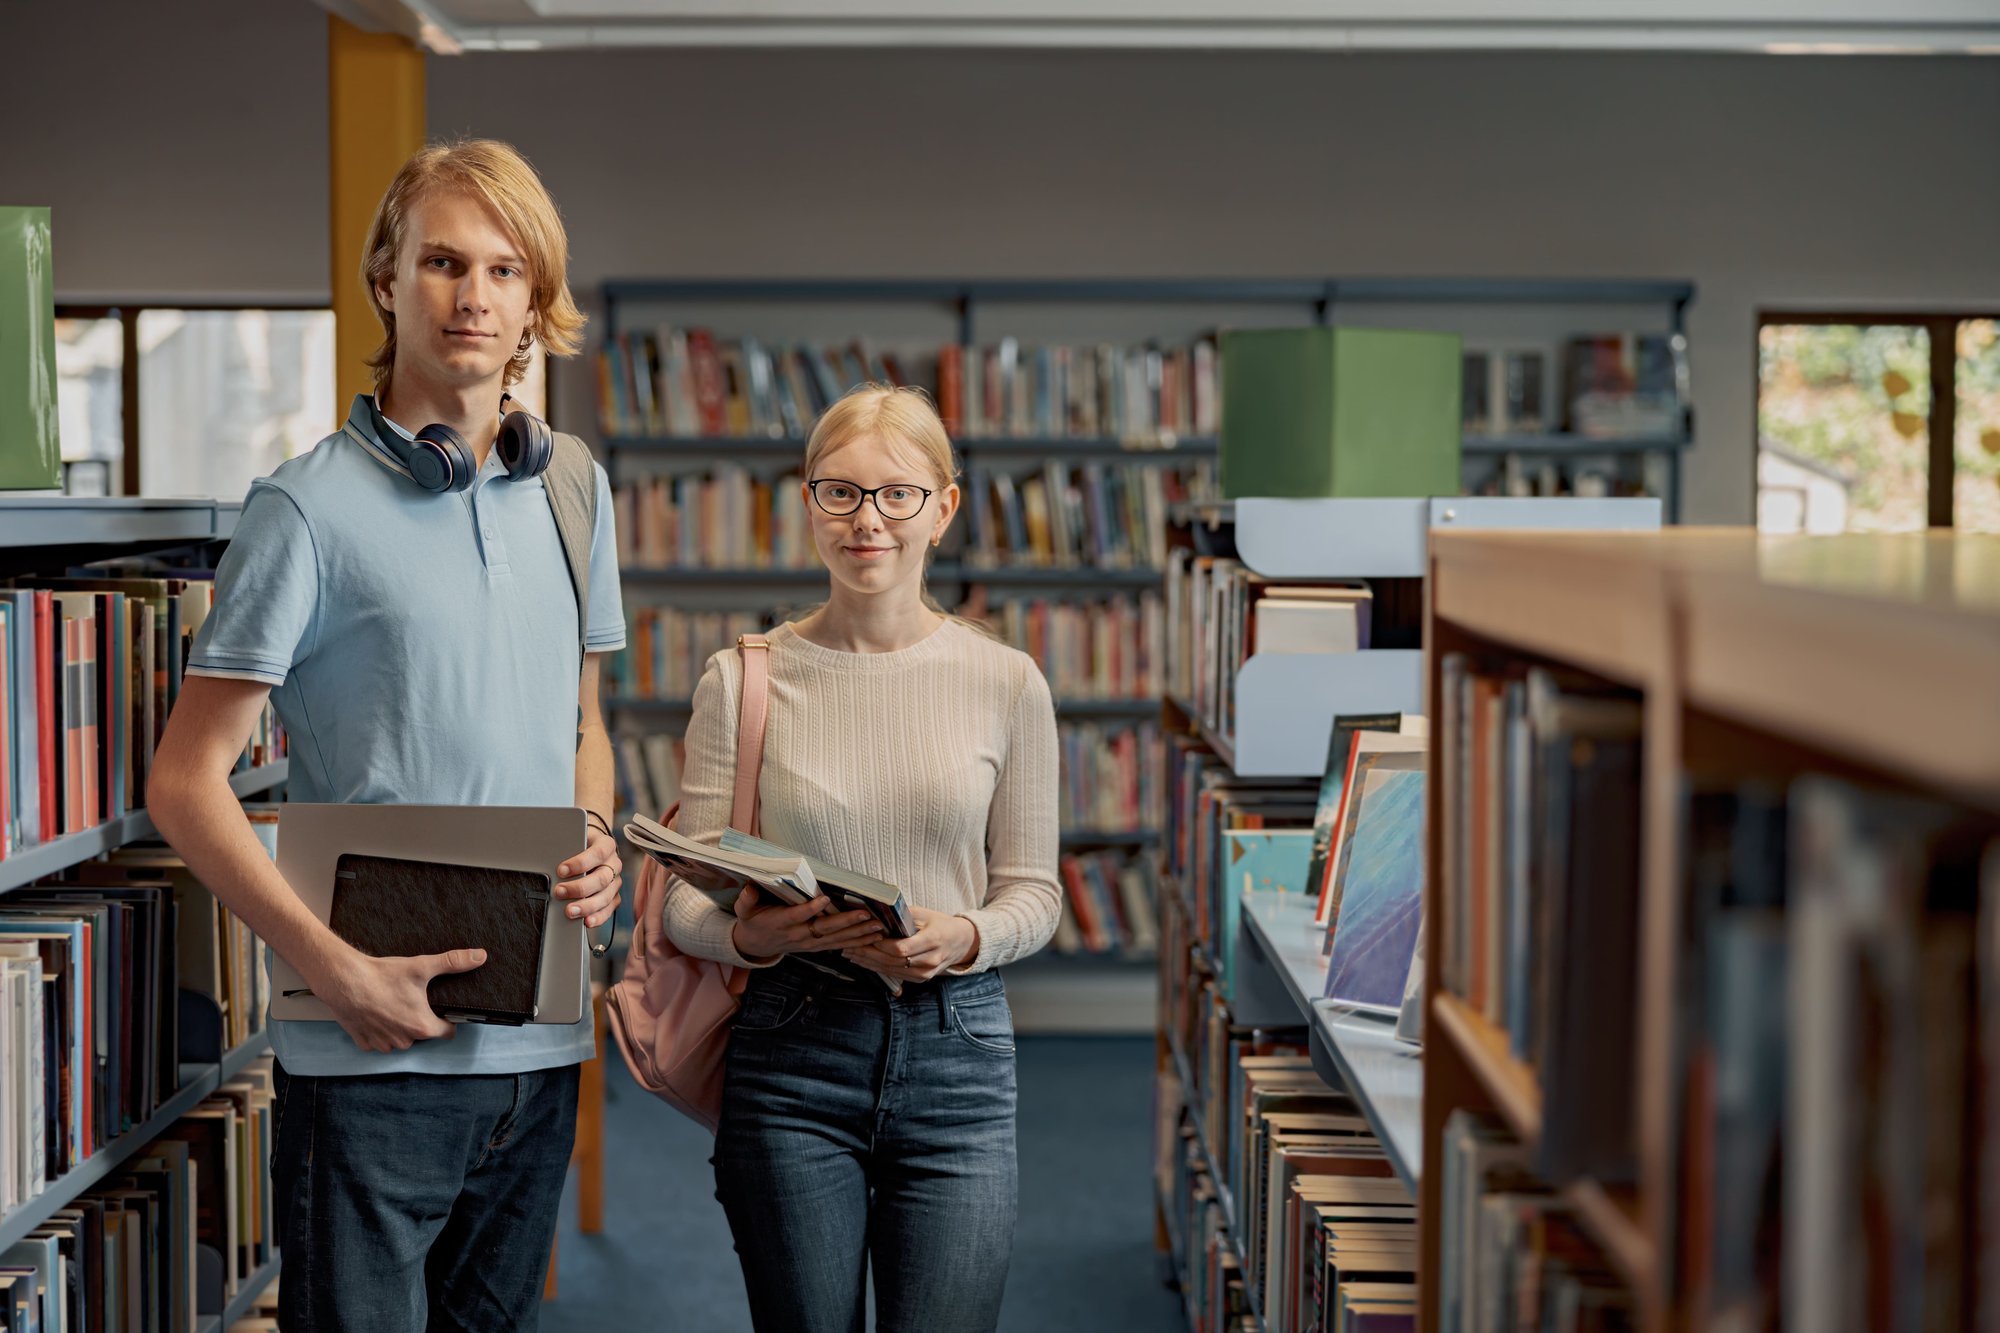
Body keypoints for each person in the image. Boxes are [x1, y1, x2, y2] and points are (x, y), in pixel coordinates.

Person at [147, 139, 626, 1332]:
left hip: (538, 1037)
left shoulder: (573, 486)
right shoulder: (303, 509)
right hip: (371, 1059)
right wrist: (328, 964)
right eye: (443, 262)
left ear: (535, 302)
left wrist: (605, 830)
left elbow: (586, 723)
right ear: (385, 280)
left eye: (505, 271)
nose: (473, 296)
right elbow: (185, 781)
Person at [661, 383, 1062, 1333]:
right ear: (807, 503)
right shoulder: (743, 677)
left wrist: (960, 935)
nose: (866, 520)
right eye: (838, 493)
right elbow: (682, 898)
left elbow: (1034, 893)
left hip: (958, 1047)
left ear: (944, 509)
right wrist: (748, 934)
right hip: (793, 1046)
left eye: (895, 495)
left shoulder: (1008, 681)